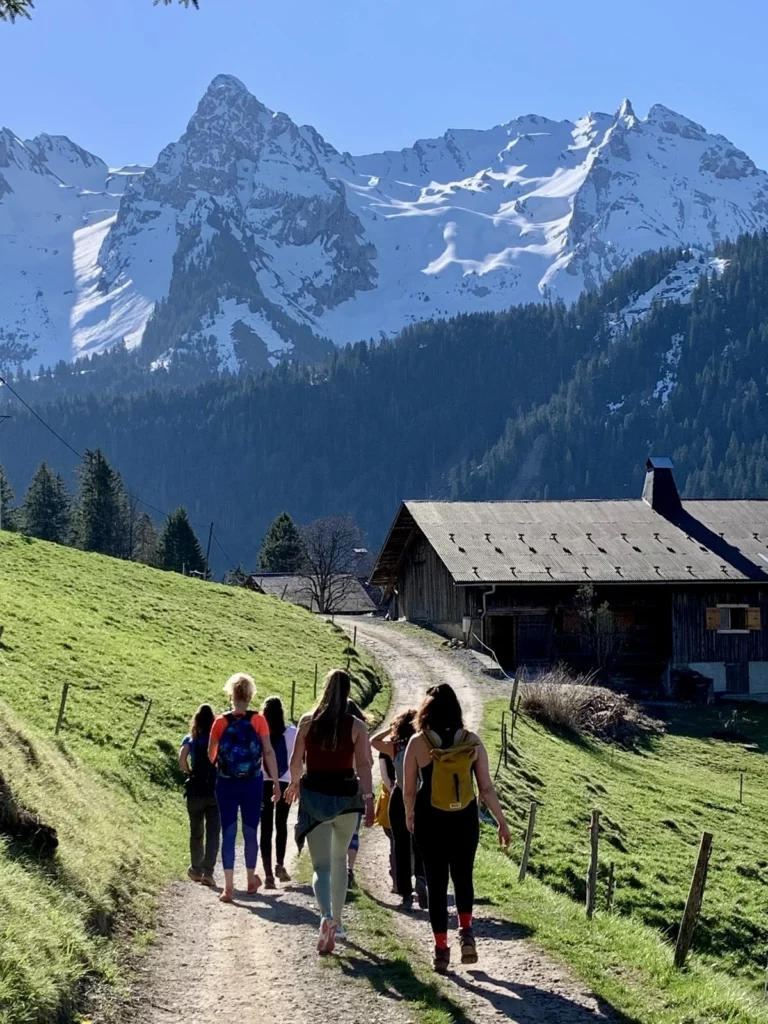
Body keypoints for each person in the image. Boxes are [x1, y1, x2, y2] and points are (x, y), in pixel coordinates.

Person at [403, 683, 511, 974]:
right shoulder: (471, 741)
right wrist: (502, 822)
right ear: (457, 709)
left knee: (437, 885)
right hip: (464, 818)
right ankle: (466, 933)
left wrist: (409, 814)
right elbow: (486, 788)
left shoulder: (418, 742)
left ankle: (441, 950)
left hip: (430, 818)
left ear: (426, 710)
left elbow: (410, 789)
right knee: (463, 877)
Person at [285, 669, 374, 955]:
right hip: (347, 797)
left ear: (325, 689)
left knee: (321, 866)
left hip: (315, 796)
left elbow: (295, 760)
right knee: (339, 862)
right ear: (348, 692)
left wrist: (295, 784)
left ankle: (324, 917)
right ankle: (338, 920)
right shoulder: (357, 726)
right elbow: (364, 765)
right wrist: (369, 798)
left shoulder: (308, 722)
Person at [208, 673, 281, 903]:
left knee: (228, 831)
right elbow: (268, 751)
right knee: (250, 830)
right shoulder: (258, 720)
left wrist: (223, 763)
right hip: (253, 782)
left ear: (231, 694)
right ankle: (251, 880)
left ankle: (228, 887)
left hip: (226, 782)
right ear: (250, 695)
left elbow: (211, 754)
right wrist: (276, 782)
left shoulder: (220, 722)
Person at [371, 709, 427, 910]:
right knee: (421, 841)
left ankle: (406, 895)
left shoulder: (396, 747)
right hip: (421, 797)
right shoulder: (425, 745)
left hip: (399, 796)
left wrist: (391, 728)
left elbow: (374, 741)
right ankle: (421, 878)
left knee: (401, 844)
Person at [179, 703, 220, 887]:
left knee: (196, 831)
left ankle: (196, 868)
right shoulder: (216, 739)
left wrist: (189, 772)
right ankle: (208, 873)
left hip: (195, 789)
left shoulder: (190, 738)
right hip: (215, 790)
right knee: (213, 832)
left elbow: (182, 759)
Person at [260, 695, 297, 888]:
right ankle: (280, 863)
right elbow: (300, 758)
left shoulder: (261, 733)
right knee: (281, 824)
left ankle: (267, 875)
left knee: (265, 828)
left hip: (264, 782)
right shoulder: (292, 732)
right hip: (286, 782)